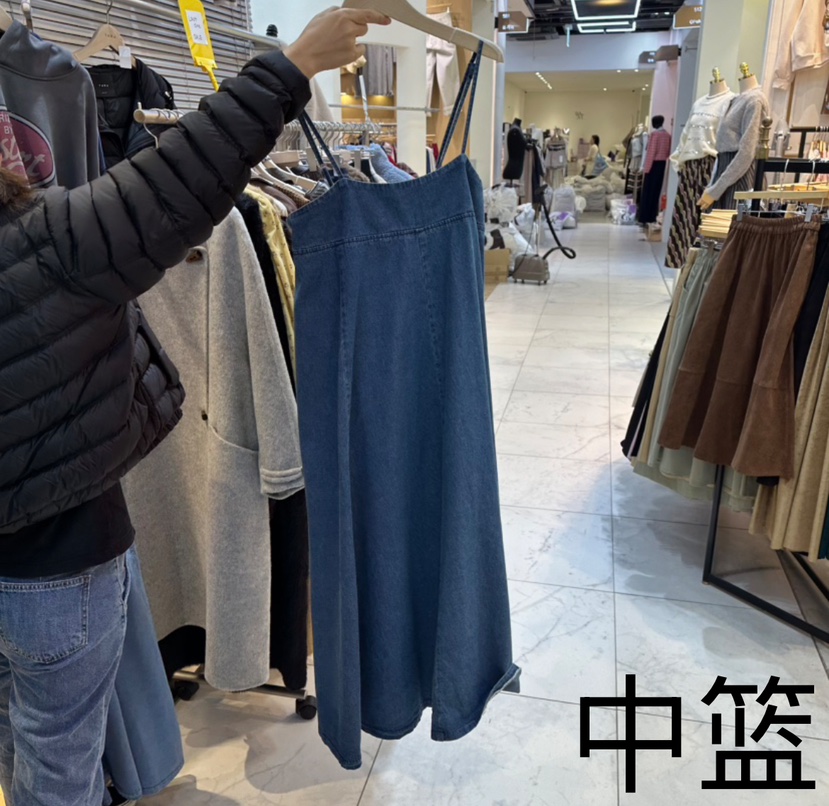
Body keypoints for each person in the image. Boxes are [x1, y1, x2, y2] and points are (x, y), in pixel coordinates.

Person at [0, 7, 390, 805]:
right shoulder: (46, 241)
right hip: (56, 565)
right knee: (60, 760)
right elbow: (178, 177)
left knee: (16, 740)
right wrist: (293, 64)